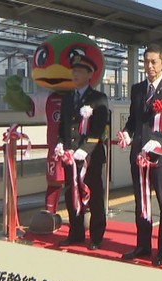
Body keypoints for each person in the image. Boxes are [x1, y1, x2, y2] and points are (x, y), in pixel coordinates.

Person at [119, 44, 162, 266]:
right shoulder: (137, 89)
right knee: (141, 202)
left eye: (154, 62)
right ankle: (143, 245)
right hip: (138, 156)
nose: (149, 66)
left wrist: (160, 142)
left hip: (161, 158)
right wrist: (127, 134)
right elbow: (132, 120)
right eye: (146, 61)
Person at [56, 55, 108, 250]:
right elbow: (63, 126)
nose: (75, 73)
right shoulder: (68, 97)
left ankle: (96, 236)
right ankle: (75, 233)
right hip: (70, 157)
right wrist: (60, 144)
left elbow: (99, 130)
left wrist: (84, 150)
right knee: (72, 196)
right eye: (73, 70)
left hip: (90, 158)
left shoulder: (98, 98)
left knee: (93, 196)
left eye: (79, 70)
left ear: (89, 74)